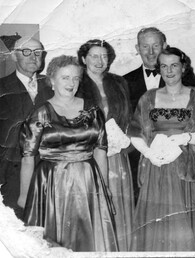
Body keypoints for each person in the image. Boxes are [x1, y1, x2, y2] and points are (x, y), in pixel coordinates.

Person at [18, 55, 118, 252]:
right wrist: (24, 195)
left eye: (76, 78)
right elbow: (28, 158)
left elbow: (100, 151)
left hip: (88, 182)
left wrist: (105, 188)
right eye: (65, 77)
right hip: (51, 183)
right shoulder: (40, 113)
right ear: (52, 80)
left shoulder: (93, 110)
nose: (71, 83)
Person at [129, 47, 195, 251]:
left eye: (174, 65)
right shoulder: (148, 97)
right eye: (163, 66)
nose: (169, 71)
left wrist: (187, 137)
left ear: (183, 67)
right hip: (156, 169)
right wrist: (149, 153)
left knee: (186, 229)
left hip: (186, 171)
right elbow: (135, 132)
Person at [76, 39, 134, 251]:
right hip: (89, 156)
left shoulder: (119, 82)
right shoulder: (77, 82)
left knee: (118, 205)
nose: (100, 61)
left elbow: (127, 116)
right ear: (84, 59)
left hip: (117, 155)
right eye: (94, 56)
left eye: (104, 56)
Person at [0, 37, 53, 219]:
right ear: (14, 57)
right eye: (26, 52)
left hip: (49, 174)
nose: (33, 57)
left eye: (37, 52)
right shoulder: (1, 87)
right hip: (11, 176)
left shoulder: (54, 85)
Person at [123, 27, 167, 205]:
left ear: (164, 46)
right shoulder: (125, 81)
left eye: (156, 46)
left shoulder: (183, 78)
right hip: (136, 157)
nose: (150, 52)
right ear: (137, 48)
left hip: (170, 155)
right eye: (145, 46)